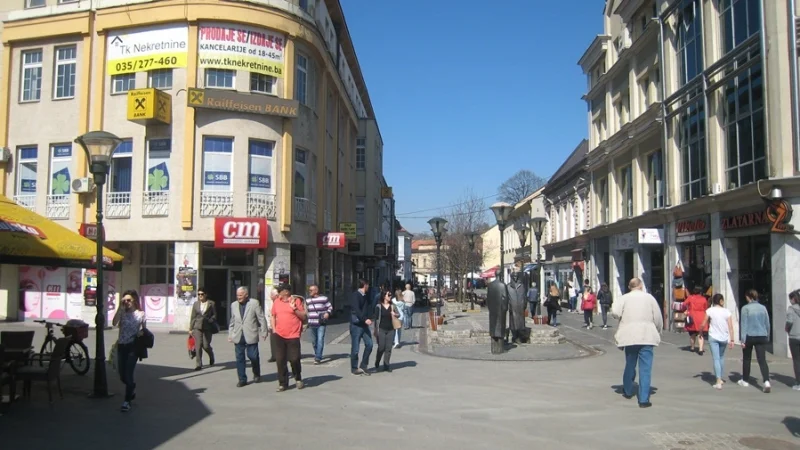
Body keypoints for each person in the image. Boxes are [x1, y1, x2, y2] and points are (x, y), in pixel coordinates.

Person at [611, 278, 663, 408]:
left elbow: (615, 312)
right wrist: (657, 330)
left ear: (630, 287)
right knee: (645, 369)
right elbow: (657, 317)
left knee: (630, 364)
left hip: (630, 336)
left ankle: (628, 390)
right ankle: (644, 399)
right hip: (646, 335)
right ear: (640, 286)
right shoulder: (649, 298)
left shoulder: (624, 298)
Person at [228, 286, 268, 387]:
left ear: (246, 295)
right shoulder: (233, 305)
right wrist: (230, 334)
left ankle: (256, 373)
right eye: (237, 295)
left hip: (251, 333)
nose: (238, 297)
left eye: (240, 295)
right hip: (238, 335)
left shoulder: (254, 303)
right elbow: (232, 321)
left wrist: (264, 332)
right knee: (239, 358)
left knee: (253, 356)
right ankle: (242, 379)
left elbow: (261, 318)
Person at [112, 289, 145, 412]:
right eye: (124, 300)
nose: (126, 302)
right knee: (122, 376)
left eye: (128, 300)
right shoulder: (122, 313)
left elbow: (144, 330)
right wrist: (119, 308)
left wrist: (141, 333)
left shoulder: (141, 314)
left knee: (128, 373)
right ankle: (131, 387)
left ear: (134, 301)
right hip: (121, 346)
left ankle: (127, 401)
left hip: (133, 347)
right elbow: (114, 323)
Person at [272, 284, 307, 391]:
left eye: (280, 291)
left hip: (293, 334)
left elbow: (304, 316)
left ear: (286, 292)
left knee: (294, 358)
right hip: (279, 334)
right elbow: (273, 315)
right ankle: (283, 383)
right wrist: (274, 329)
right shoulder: (277, 301)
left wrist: (295, 309)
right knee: (280, 360)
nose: (278, 293)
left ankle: (298, 378)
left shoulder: (296, 301)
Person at [738, 289, 771, 393]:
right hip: (762, 335)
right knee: (762, 360)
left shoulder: (745, 308)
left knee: (747, 358)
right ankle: (766, 381)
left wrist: (742, 340)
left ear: (749, 297)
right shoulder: (763, 308)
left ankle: (745, 380)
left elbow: (744, 325)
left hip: (749, 336)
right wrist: (767, 336)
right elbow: (767, 324)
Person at [698, 293, 734, 389]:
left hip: (713, 336)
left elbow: (703, 322)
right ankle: (720, 378)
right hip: (724, 337)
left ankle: (718, 380)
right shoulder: (727, 312)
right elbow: (730, 327)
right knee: (721, 357)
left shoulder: (710, 310)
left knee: (716, 358)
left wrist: (700, 332)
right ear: (721, 301)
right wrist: (732, 339)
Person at [350, 279, 374, 376]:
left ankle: (364, 365)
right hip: (356, 325)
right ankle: (354, 368)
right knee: (355, 349)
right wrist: (365, 319)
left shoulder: (366, 296)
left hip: (364, 325)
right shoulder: (356, 295)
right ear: (365, 285)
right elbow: (357, 309)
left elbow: (367, 308)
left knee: (370, 344)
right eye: (368, 285)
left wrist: (371, 317)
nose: (369, 287)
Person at [188, 288, 216, 370]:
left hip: (207, 327)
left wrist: (211, 320)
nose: (200, 296)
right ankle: (198, 364)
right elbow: (193, 317)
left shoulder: (211, 303)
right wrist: (190, 328)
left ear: (205, 294)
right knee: (198, 345)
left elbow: (214, 315)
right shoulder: (196, 304)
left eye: (202, 294)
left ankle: (211, 355)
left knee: (206, 346)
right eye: (199, 294)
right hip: (197, 327)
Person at [374, 290, 400, 372]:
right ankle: (377, 360)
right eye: (388, 295)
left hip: (391, 329)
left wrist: (395, 314)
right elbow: (376, 319)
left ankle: (386, 365)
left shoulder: (393, 306)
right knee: (381, 347)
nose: (390, 296)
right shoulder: (378, 306)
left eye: (390, 295)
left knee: (388, 348)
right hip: (381, 329)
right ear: (384, 296)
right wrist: (375, 329)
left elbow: (398, 314)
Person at [306, 284, 332, 364]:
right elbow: (305, 311)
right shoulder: (308, 301)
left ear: (316, 291)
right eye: (309, 290)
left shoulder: (324, 299)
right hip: (311, 323)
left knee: (320, 340)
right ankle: (317, 353)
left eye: (311, 290)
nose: (309, 292)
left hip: (321, 323)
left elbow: (330, 307)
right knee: (314, 341)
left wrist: (327, 313)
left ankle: (318, 357)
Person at [684, 287, 709, 354]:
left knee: (692, 333)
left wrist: (687, 309)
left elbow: (684, 304)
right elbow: (706, 307)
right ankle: (700, 349)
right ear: (700, 292)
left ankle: (692, 347)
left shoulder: (690, 298)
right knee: (700, 334)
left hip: (692, 316)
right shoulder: (703, 299)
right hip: (701, 316)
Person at [786, 290, 800, 390]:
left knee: (796, 360)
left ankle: (798, 382)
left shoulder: (791, 309)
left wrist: (786, 328)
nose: (789, 301)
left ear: (793, 299)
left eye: (790, 299)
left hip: (794, 337)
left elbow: (789, 321)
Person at [265, 288, 278, 363]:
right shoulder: (271, 303)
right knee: (272, 341)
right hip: (272, 325)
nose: (270, 296)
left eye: (272, 295)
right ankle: (274, 356)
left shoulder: (279, 302)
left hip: (279, 325)